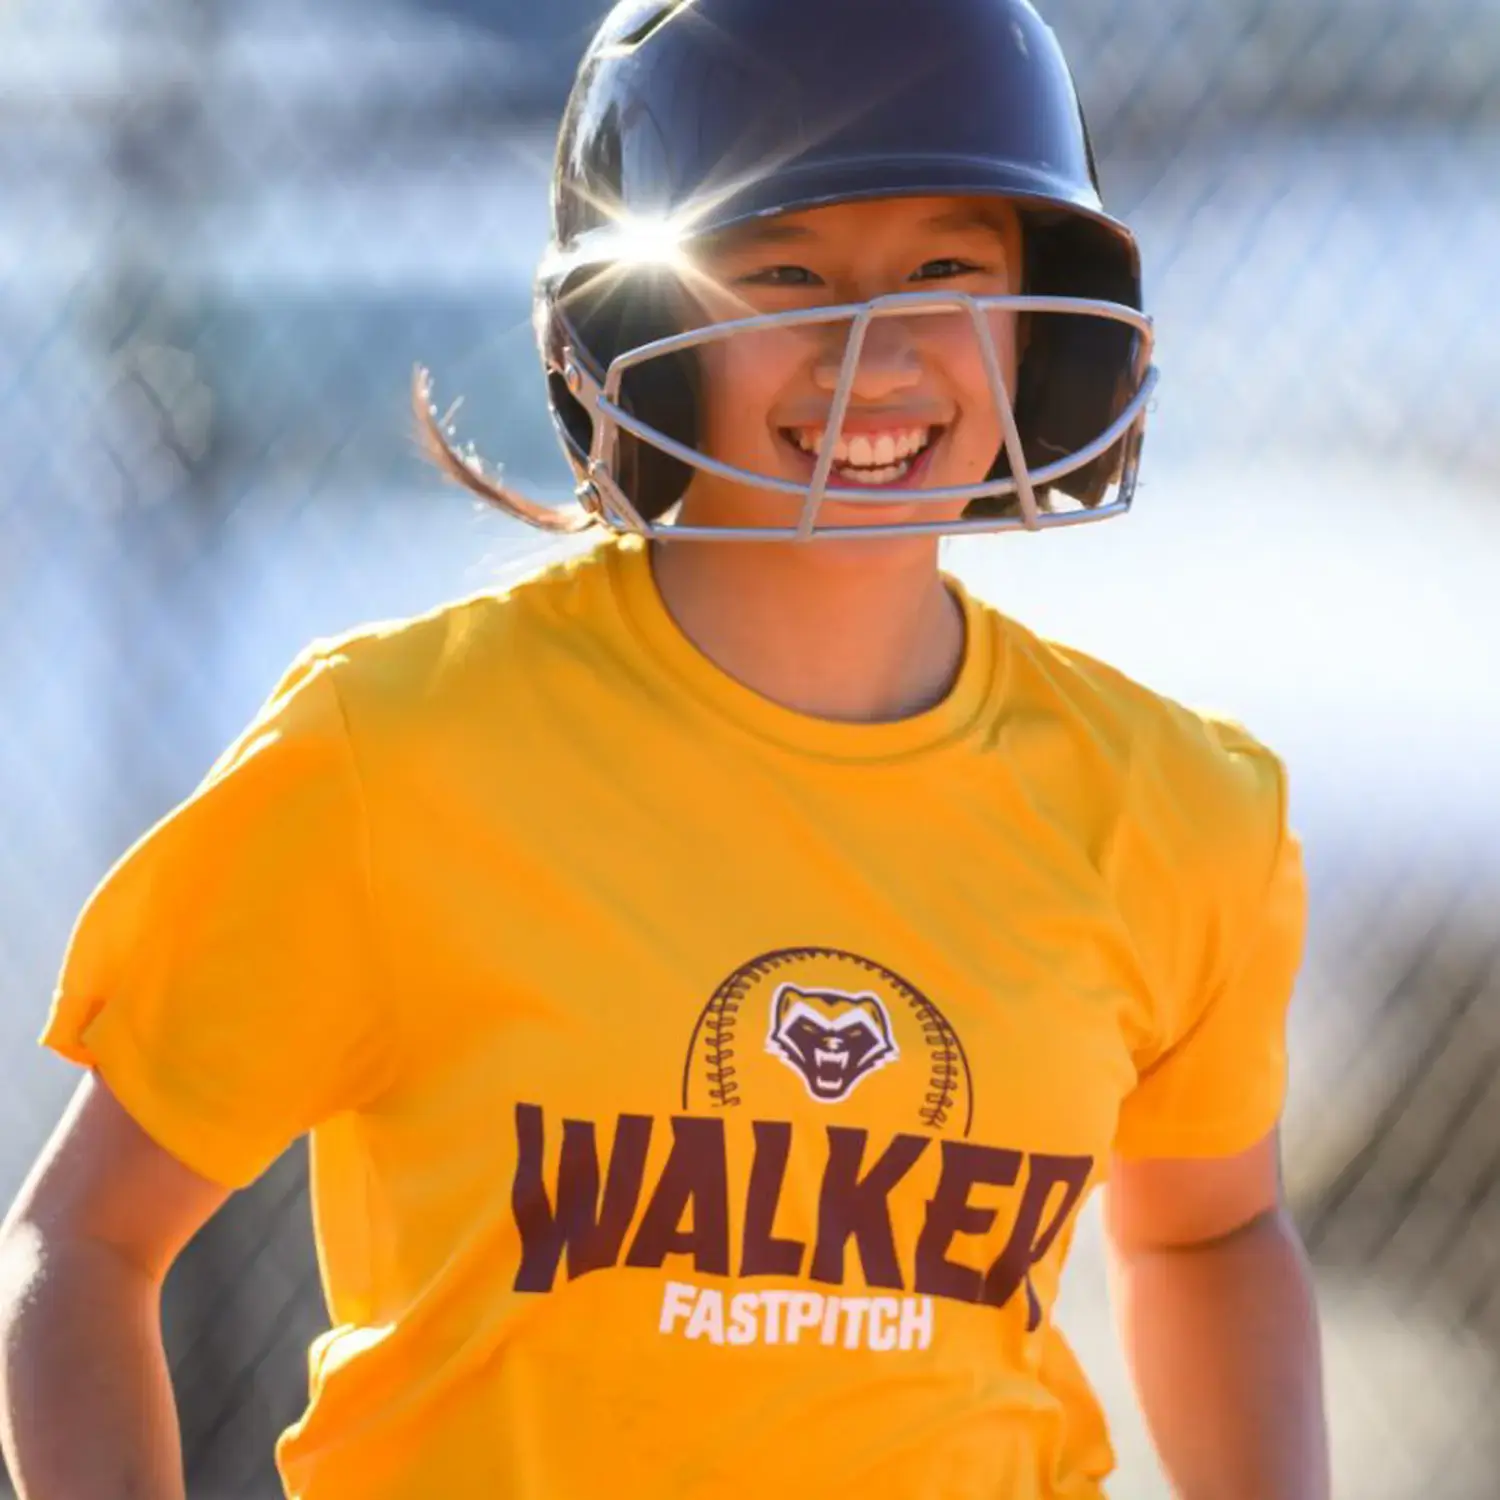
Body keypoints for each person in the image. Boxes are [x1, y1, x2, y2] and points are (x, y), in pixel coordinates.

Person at [0, 1, 1331, 1497]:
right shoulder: (403, 756)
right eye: (783, 273)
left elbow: (1212, 1227)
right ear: (637, 332)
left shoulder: (1175, 810)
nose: (874, 348)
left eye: (947, 268)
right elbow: (88, 1237)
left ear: (1042, 311)